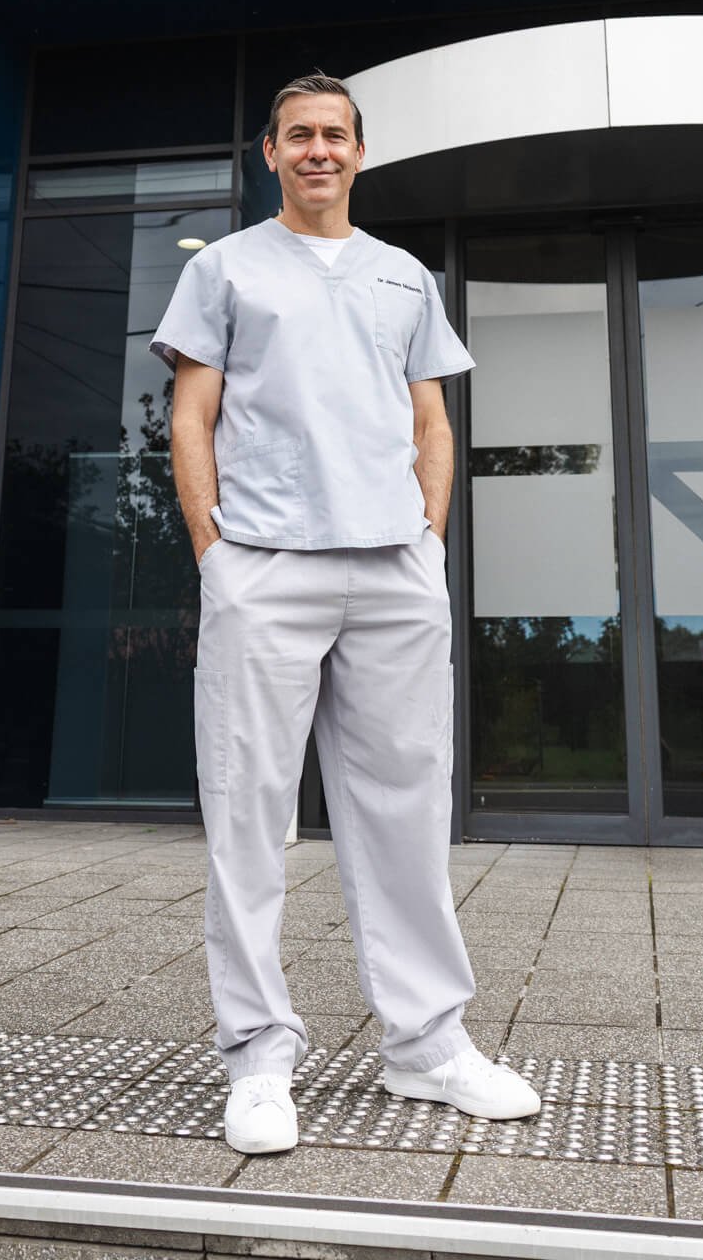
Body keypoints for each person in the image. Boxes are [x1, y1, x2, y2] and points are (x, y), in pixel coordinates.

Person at [149, 71, 540, 1155]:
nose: (319, 149)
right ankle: (259, 1057)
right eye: (299, 134)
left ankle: (426, 1045)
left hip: (392, 573)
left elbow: (433, 421)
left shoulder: (404, 275)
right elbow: (192, 414)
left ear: (360, 153)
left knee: (408, 810)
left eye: (337, 134)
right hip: (264, 566)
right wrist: (214, 552)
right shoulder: (225, 268)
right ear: (268, 153)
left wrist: (429, 540)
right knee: (246, 814)